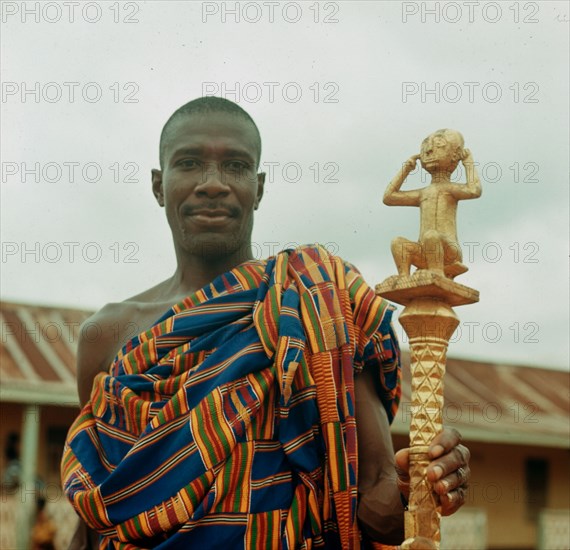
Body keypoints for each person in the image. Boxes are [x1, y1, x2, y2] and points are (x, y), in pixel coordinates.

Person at [62, 97, 470, 549]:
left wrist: (420, 486)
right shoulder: (106, 335)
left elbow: (377, 510)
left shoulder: (317, 302)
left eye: (234, 165)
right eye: (189, 163)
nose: (212, 184)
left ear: (258, 187)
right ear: (159, 185)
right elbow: (95, 518)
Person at [383, 129, 482, 279]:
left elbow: (474, 190)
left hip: (449, 251)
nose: (429, 151)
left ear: (456, 154)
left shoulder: (450, 189)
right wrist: (406, 169)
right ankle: (403, 277)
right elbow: (389, 198)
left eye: (439, 146)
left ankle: (436, 272)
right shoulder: (424, 193)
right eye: (425, 148)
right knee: (398, 242)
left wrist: (468, 162)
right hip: (424, 252)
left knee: (431, 236)